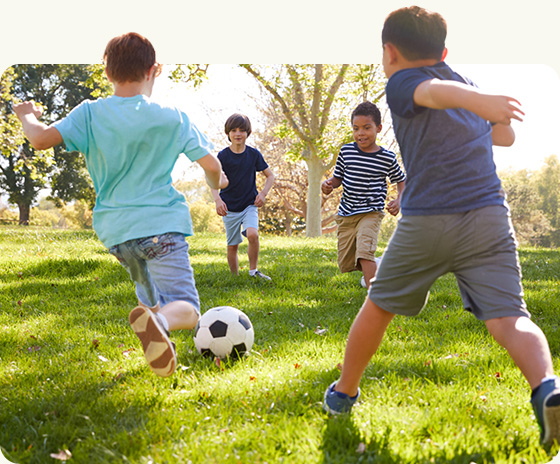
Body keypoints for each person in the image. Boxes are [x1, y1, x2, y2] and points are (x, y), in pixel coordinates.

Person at [322, 6, 560, 445]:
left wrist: (477, 103)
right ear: (444, 50)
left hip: (428, 220)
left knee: (379, 305)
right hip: (488, 217)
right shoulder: (461, 85)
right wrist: (483, 105)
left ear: (389, 53)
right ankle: (547, 386)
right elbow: (503, 134)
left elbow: (433, 91)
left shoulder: (402, 82)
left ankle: (343, 393)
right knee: (510, 318)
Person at [13, 32, 228, 378]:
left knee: (151, 299)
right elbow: (213, 167)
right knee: (186, 307)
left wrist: (26, 115)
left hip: (117, 235)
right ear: (153, 70)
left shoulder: (90, 114)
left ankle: (159, 339)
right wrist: (217, 184)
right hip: (161, 228)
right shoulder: (172, 116)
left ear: (107, 72)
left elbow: (39, 139)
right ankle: (159, 322)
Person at [322, 101, 406, 289]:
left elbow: (402, 180)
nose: (361, 133)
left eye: (367, 128)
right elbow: (337, 179)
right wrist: (328, 185)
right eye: (356, 128)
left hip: (371, 212)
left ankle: (374, 296)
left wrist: (399, 200)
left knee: (364, 254)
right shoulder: (346, 151)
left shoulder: (387, 157)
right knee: (346, 263)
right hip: (347, 214)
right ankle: (380, 265)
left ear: (379, 128)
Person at [211, 113, 275, 280]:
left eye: (242, 130)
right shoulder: (222, 156)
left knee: (252, 234)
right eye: (233, 130)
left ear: (248, 133)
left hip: (249, 204)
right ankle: (235, 277)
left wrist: (263, 194)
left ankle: (253, 272)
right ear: (228, 133)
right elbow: (213, 180)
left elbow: (270, 176)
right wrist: (217, 200)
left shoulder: (253, 154)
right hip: (229, 208)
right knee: (232, 246)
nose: (238, 134)